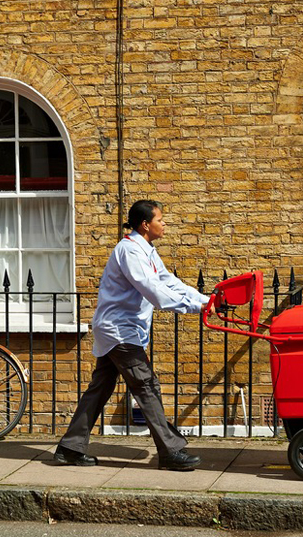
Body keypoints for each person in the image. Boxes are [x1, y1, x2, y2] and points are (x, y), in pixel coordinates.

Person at [54, 200, 210, 471]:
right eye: (160, 219)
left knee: (100, 389)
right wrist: (195, 307)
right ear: (145, 224)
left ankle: (70, 447)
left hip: (120, 330)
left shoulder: (146, 250)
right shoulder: (129, 251)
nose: (165, 224)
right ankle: (170, 451)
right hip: (119, 332)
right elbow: (153, 291)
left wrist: (206, 301)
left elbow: (168, 282)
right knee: (147, 386)